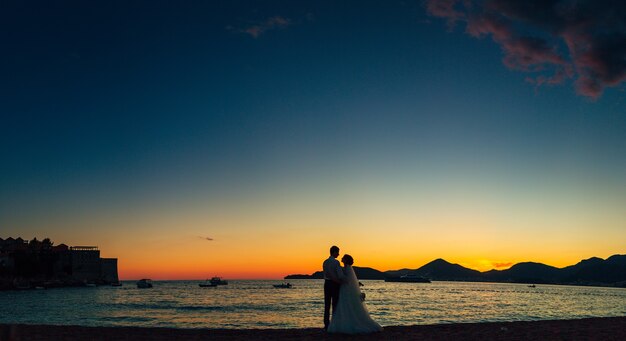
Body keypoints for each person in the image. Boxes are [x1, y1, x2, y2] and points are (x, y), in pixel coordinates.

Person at [327, 254, 383, 334]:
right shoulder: (348, 268)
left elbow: (346, 279)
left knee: (346, 305)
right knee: (346, 305)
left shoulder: (348, 268)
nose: (341, 258)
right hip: (345, 288)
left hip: (345, 289)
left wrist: (337, 277)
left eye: (343, 258)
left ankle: (347, 323)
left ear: (346, 260)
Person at [322, 245, 344, 330]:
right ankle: (334, 324)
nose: (338, 254)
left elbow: (326, 273)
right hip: (334, 284)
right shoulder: (336, 262)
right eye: (337, 252)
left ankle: (326, 324)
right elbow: (339, 275)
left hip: (326, 284)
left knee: (327, 304)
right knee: (335, 304)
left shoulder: (325, 262)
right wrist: (341, 281)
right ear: (334, 252)